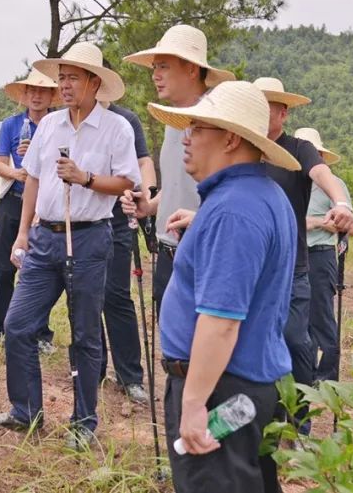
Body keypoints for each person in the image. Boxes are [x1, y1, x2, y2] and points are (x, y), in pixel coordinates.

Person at [0, 42, 140, 450]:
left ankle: (84, 422)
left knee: (86, 333)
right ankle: (25, 411)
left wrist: (85, 177)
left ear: (94, 82)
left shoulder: (116, 128)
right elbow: (32, 177)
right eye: (62, 77)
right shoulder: (50, 125)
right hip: (43, 237)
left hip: (89, 237)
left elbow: (126, 181)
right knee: (18, 325)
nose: (64, 85)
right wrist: (22, 233)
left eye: (73, 77)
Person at [147, 81, 299, 493]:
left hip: (220, 388)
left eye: (197, 127)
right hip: (242, 384)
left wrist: (194, 404)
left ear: (231, 138)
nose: (186, 136)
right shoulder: (260, 195)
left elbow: (221, 321)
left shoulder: (233, 210)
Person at [252, 77, 353, 438]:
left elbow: (322, 173)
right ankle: (261, 422)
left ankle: (299, 426)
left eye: (269, 105)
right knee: (254, 346)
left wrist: (341, 203)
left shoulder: (299, 149)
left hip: (292, 268)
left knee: (297, 343)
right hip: (251, 268)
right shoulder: (243, 148)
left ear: (283, 112)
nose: (261, 112)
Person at [119, 25, 235, 320]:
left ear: (192, 70)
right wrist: (149, 206)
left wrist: (204, 220)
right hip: (169, 251)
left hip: (206, 253)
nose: (155, 75)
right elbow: (174, 187)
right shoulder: (174, 121)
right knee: (174, 354)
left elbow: (237, 193)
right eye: (154, 67)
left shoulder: (219, 123)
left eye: (164, 67)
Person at [97, 59, 157, 405]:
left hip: (119, 219)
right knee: (84, 297)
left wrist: (145, 192)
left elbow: (144, 161)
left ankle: (130, 375)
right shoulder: (64, 121)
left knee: (117, 295)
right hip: (82, 223)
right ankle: (91, 367)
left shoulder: (126, 120)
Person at [0, 67, 59, 352]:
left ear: (51, 95)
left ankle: (40, 333)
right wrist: (18, 173)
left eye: (43, 91)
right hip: (12, 201)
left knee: (40, 272)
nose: (37, 95)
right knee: (4, 270)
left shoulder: (58, 125)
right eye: (32, 90)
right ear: (25, 94)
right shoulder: (11, 125)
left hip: (45, 207)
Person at [293, 127, 353, 384]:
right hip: (294, 255)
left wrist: (316, 223)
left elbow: (352, 226)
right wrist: (318, 222)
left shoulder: (334, 185)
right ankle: (305, 376)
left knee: (321, 322)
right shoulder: (290, 182)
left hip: (320, 257)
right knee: (299, 323)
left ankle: (327, 379)